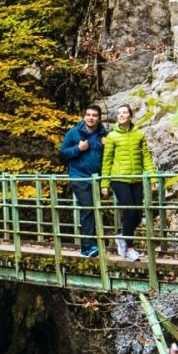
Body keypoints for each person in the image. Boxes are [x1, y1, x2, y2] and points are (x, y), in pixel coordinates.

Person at [101, 103, 152, 260]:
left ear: (130, 115)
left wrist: (153, 178)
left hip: (136, 178)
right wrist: (105, 183)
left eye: (124, 112)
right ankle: (129, 249)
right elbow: (107, 160)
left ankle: (122, 236)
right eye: (119, 113)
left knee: (138, 216)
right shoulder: (112, 136)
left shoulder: (139, 135)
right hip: (119, 179)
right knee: (129, 212)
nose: (121, 115)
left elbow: (146, 157)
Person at [56, 105, 107, 257]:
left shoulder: (103, 135)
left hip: (96, 179)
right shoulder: (73, 133)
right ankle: (87, 247)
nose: (91, 118)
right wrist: (78, 149)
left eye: (94, 115)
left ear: (99, 118)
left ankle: (94, 244)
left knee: (95, 210)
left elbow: (108, 158)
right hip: (78, 177)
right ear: (84, 116)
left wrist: (106, 146)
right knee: (88, 208)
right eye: (88, 114)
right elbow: (62, 154)